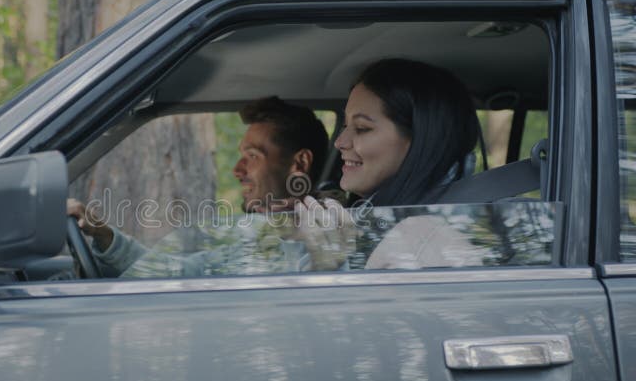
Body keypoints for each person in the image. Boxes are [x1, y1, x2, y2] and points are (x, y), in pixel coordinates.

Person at [67, 96, 329, 277]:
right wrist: (104, 236)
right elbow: (181, 275)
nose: (237, 170)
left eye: (252, 156)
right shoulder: (261, 235)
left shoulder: (323, 239)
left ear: (300, 162)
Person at [293, 58, 484, 270]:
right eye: (346, 125)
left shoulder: (421, 240)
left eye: (362, 128)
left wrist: (329, 268)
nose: (340, 142)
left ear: (421, 142)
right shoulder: (379, 221)